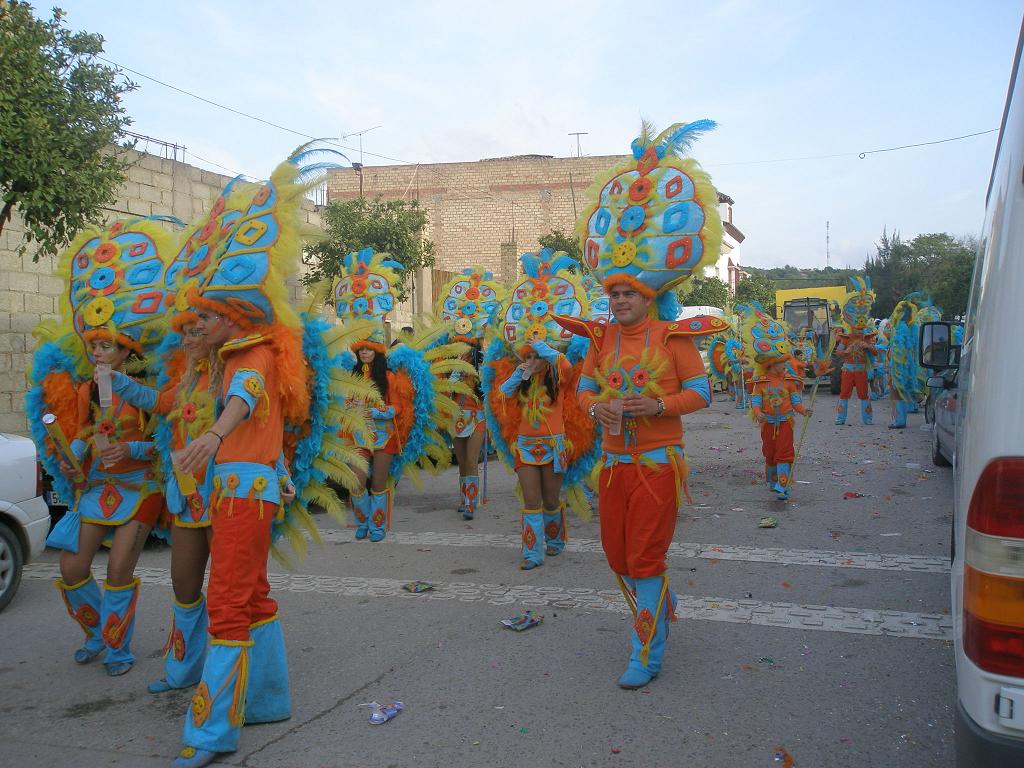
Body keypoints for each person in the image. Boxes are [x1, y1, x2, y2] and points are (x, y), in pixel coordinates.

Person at [565, 118, 729, 689]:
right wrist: (596, 410)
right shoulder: (600, 340)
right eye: (613, 292)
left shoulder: (673, 338)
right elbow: (585, 389)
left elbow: (703, 394)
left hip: (659, 465)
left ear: (648, 294)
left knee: (645, 559)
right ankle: (658, 604)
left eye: (628, 292)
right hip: (613, 466)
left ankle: (646, 651)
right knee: (617, 558)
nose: (619, 299)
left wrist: (654, 408)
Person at [55, 336, 164, 677]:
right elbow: (82, 433)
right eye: (94, 347)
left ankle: (118, 645)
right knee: (71, 568)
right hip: (97, 488)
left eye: (106, 346)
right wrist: (70, 460)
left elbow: (165, 446)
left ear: (127, 352)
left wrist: (133, 450)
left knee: (118, 570)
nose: (98, 353)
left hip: (141, 487)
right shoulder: (87, 389)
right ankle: (98, 633)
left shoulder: (147, 389)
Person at [435, 269, 506, 521]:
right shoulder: (447, 362)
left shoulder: (482, 361)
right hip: (455, 413)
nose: (463, 345)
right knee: (462, 459)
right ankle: (464, 496)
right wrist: (449, 379)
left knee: (472, 458)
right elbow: (439, 388)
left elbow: (492, 387)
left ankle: (470, 502)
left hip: (476, 415)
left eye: (467, 342)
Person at [499, 340, 572, 569]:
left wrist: (544, 349)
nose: (532, 361)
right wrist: (518, 373)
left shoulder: (558, 380)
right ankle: (532, 553)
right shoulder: (523, 381)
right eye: (528, 356)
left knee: (550, 500)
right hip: (525, 447)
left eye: (536, 357)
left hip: (553, 446)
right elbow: (502, 394)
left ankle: (555, 540)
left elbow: (567, 366)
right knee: (531, 501)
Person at [742, 314, 811, 500]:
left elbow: (795, 402)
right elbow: (755, 402)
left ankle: (783, 486)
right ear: (772, 364)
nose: (786, 364)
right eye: (782, 362)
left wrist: (804, 410)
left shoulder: (789, 382)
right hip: (768, 424)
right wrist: (758, 414)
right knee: (770, 452)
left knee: (785, 452)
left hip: (785, 422)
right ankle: (773, 482)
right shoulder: (761, 382)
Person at [833, 277, 878, 426]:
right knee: (844, 394)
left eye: (861, 326)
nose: (858, 328)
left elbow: (876, 353)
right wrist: (848, 351)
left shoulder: (867, 338)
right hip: (847, 371)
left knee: (863, 395)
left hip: (861, 370)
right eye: (856, 326)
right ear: (851, 323)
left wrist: (868, 347)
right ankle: (840, 419)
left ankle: (867, 419)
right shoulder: (845, 338)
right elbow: (838, 353)